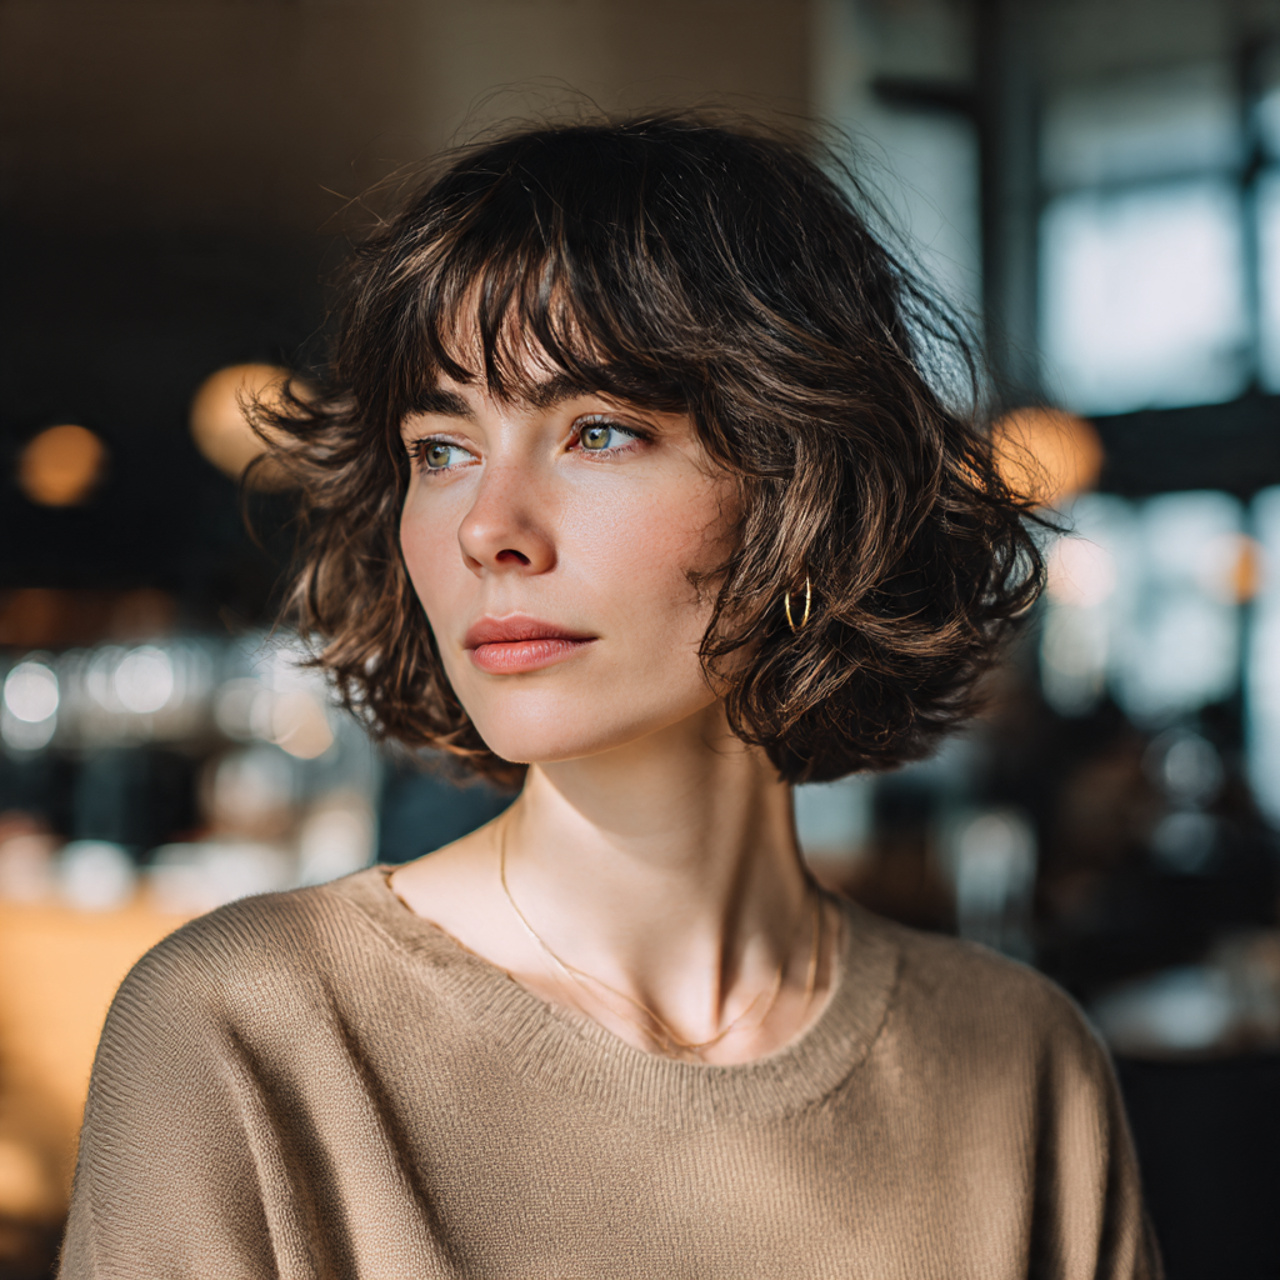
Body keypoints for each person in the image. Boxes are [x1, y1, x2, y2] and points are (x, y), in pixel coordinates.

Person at [59, 113, 1161, 1278]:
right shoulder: (246, 1031)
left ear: (806, 487)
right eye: (439, 449)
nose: (489, 527)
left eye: (597, 431)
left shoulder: (1021, 1065)